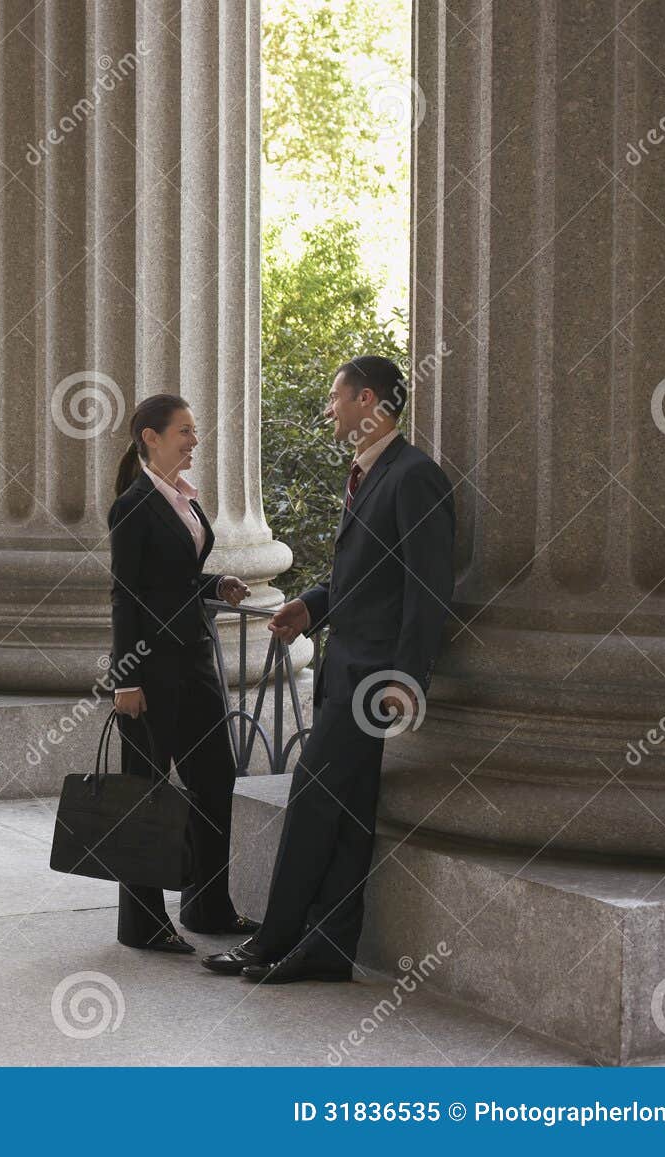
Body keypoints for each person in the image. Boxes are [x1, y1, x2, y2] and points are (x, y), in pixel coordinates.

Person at [203, 356, 455, 983]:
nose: (329, 410)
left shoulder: (415, 477)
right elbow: (366, 576)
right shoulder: (370, 473)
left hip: (373, 681)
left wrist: (408, 677)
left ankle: (271, 941)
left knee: (313, 798)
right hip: (345, 666)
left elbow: (427, 590)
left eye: (335, 398)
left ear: (368, 400)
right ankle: (329, 946)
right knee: (347, 810)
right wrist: (310, 606)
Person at [106, 393, 260, 953]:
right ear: (151, 437)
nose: (195, 440)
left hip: (196, 663)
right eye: (185, 432)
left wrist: (214, 584)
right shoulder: (132, 506)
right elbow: (126, 596)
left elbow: (174, 579)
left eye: (195, 432)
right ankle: (143, 924)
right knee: (146, 795)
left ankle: (208, 905)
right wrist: (126, 680)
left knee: (214, 780)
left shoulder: (186, 502)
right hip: (148, 672)